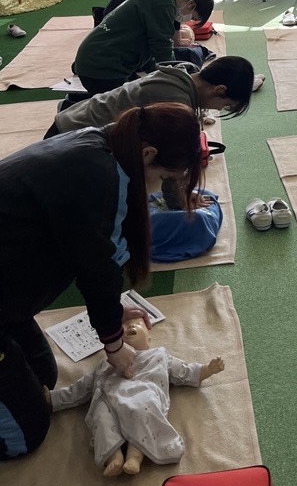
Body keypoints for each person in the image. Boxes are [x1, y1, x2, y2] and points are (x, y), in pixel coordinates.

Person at [0, 102, 204, 460]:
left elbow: (96, 256)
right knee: (25, 435)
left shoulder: (104, 146)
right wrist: (112, 343)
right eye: (163, 178)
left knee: (45, 379)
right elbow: (96, 268)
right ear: (148, 154)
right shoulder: (101, 177)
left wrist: (113, 310)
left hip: (9, 291)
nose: (158, 188)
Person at [50, 314, 225, 476]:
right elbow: (81, 388)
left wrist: (207, 369)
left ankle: (135, 456)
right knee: (101, 415)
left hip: (143, 393)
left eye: (136, 323)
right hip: (109, 398)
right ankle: (114, 456)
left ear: (149, 338)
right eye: (122, 326)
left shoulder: (159, 355)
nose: (129, 326)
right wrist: (53, 398)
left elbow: (184, 371)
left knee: (143, 408)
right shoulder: (106, 363)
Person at [46, 55, 254, 138]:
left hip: (73, 120)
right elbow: (168, 161)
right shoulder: (176, 101)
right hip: (71, 137)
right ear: (219, 90)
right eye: (225, 105)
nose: (218, 110)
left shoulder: (184, 73)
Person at [73, 0, 214, 95]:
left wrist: (155, 71)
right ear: (191, 4)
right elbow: (162, 44)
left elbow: (150, 46)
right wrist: (176, 77)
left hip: (97, 62)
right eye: (192, 17)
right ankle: (73, 106)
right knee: (134, 109)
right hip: (101, 69)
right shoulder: (163, 2)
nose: (187, 20)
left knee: (141, 93)